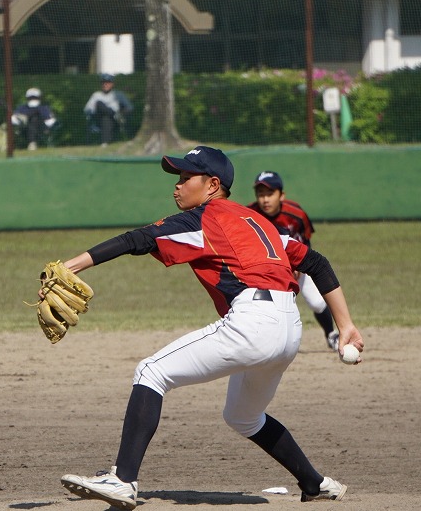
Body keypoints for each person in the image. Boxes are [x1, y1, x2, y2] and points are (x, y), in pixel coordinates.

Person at [56, 146, 364, 509]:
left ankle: (123, 480)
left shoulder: (205, 218)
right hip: (288, 328)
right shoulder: (259, 222)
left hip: (253, 322)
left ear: (212, 184)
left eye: (187, 178)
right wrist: (345, 325)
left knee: (151, 372)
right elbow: (315, 260)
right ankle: (316, 483)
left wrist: (70, 266)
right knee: (243, 416)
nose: (177, 186)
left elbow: (135, 240)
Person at [247, 171, 340, 352]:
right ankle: (261, 343)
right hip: (265, 270)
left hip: (297, 265)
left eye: (270, 194)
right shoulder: (250, 215)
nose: (265, 199)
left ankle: (331, 334)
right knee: (264, 307)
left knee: (318, 303)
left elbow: (305, 239)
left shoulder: (296, 214)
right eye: (260, 194)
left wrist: (300, 265)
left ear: (281, 195)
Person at [83, 73, 132, 146]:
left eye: (108, 82)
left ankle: (105, 143)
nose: (105, 84)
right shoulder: (96, 95)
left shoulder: (118, 94)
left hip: (116, 121)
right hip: (98, 119)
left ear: (112, 84)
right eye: (103, 82)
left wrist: (122, 113)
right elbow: (87, 109)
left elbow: (129, 107)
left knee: (106, 118)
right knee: (99, 104)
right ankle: (113, 115)